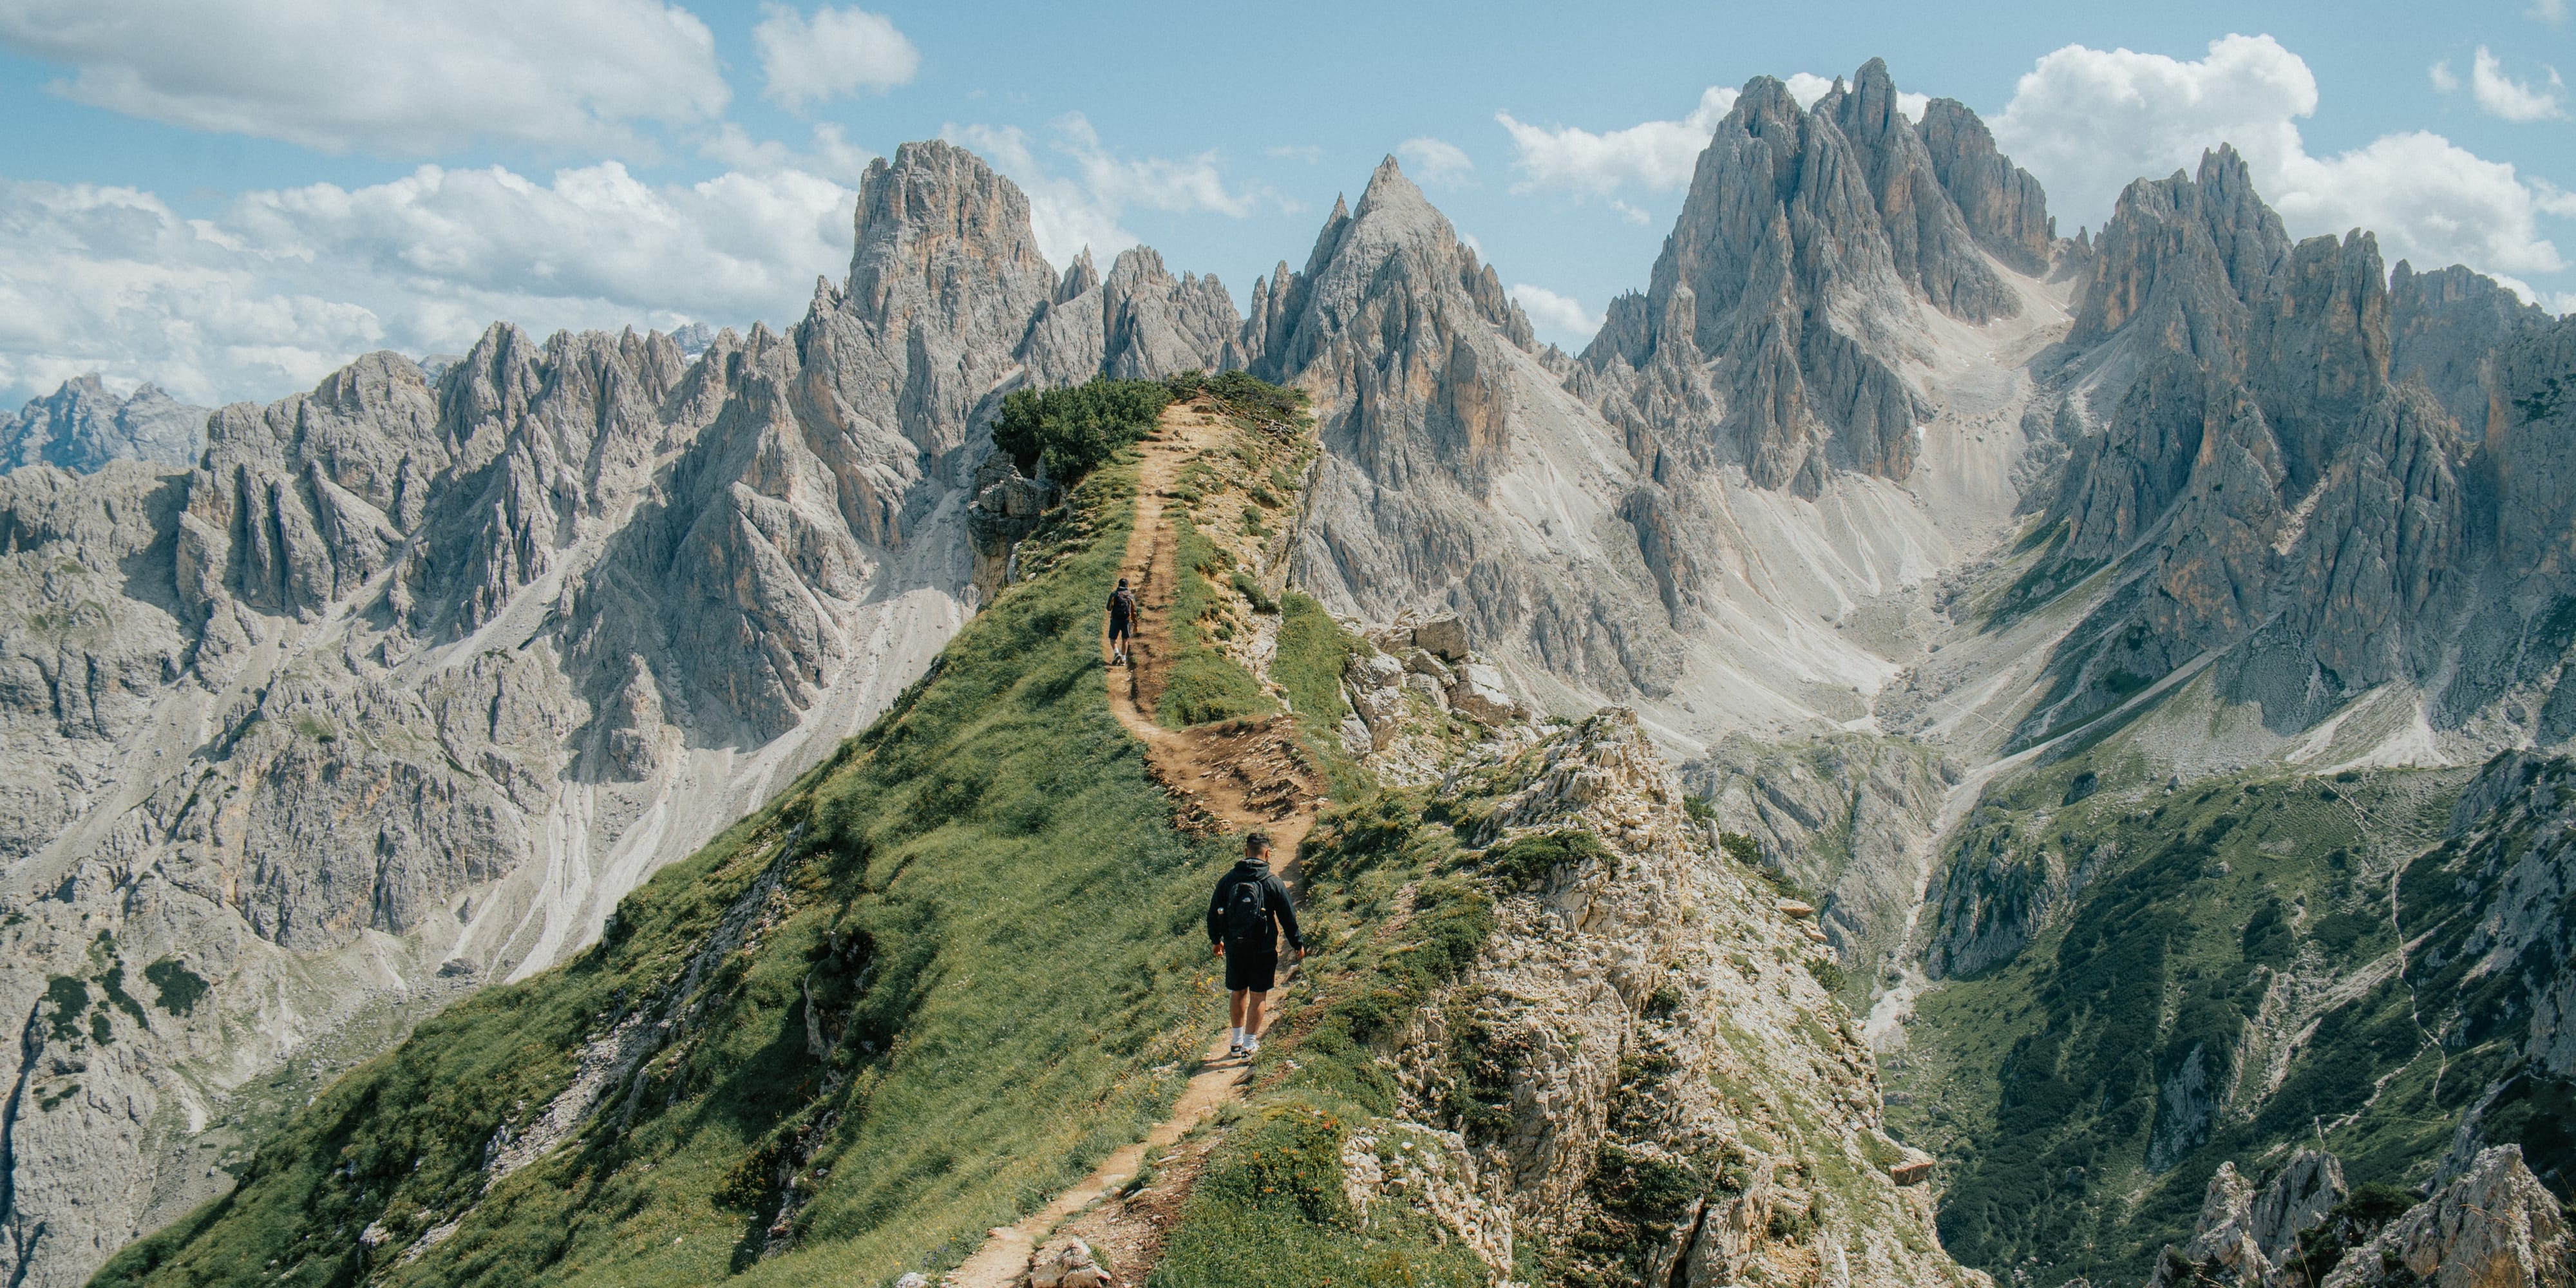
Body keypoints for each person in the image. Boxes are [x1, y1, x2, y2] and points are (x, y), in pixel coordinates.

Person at [1207, 830, 1302, 1056]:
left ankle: (1236, 1042)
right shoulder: (1272, 882)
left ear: (1245, 852)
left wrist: (1216, 940)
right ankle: (1249, 1045)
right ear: (1267, 854)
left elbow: (1213, 913)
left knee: (1238, 991)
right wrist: (1297, 943)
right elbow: (1288, 917)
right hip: (1263, 947)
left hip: (1235, 946)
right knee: (1258, 995)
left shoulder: (1228, 880)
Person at [1106, 577, 1138, 665]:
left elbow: (1109, 608)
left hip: (1115, 620)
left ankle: (1117, 653)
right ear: (1127, 585)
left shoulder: (1114, 594)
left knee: (1113, 639)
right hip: (1126, 621)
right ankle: (1123, 660)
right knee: (1125, 640)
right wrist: (1135, 624)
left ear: (1119, 585)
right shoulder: (1130, 596)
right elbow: (1134, 611)